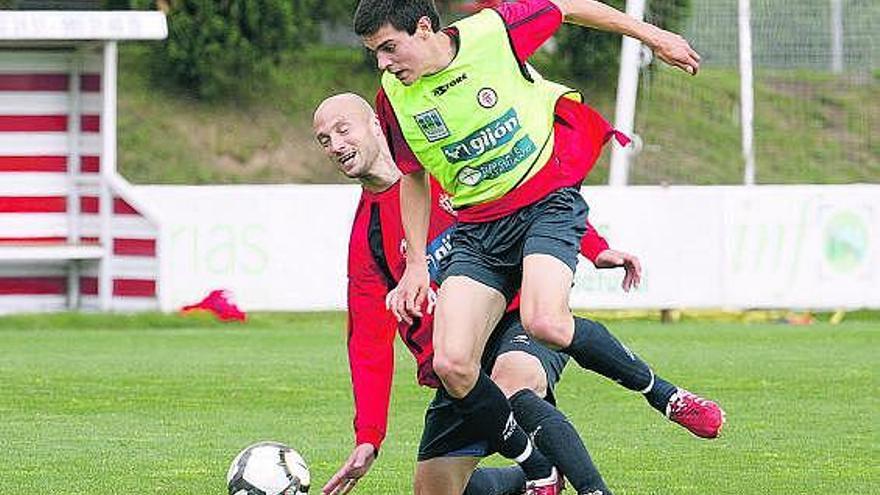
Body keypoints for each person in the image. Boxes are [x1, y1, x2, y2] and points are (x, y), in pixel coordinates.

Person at [353, 0, 715, 491]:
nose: (383, 63)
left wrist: (656, 38)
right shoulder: (394, 94)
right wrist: (415, 263)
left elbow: (568, 7)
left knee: (543, 322)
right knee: (452, 364)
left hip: (546, 203)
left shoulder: (493, 32)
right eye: (375, 53)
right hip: (479, 232)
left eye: (389, 48)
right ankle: (537, 470)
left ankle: (666, 396)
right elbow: (413, 177)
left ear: (423, 28)